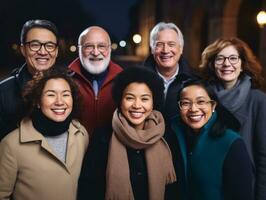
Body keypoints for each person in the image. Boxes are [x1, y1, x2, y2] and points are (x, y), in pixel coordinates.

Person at [78, 66, 176, 200]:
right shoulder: (102, 137)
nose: (137, 105)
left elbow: (173, 190)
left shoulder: (165, 136)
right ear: (120, 100)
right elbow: (89, 189)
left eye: (145, 99)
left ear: (153, 102)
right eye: (130, 98)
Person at [0, 68, 89, 200]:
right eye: (51, 94)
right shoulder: (11, 145)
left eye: (65, 94)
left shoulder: (81, 134)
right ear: (37, 101)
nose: (59, 101)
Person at [198, 37, 266, 200]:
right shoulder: (203, 97)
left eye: (233, 58)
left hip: (243, 186)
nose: (226, 64)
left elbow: (264, 156)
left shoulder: (258, 100)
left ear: (242, 64)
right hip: (209, 185)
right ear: (212, 64)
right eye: (219, 58)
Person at [167, 79, 253, 200]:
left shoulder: (231, 142)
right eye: (185, 103)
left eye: (201, 102)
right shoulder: (172, 137)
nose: (193, 109)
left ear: (213, 105)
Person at [0, 19, 59, 139]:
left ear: (56, 51)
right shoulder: (3, 92)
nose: (43, 52)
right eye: (35, 45)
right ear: (23, 49)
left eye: (49, 46)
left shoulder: (69, 88)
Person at [68, 26, 123, 135]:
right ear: (79, 49)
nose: (96, 52)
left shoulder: (125, 80)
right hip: (76, 150)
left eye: (101, 46)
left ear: (109, 49)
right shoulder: (65, 81)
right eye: (88, 46)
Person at [144, 22, 197, 125]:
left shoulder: (195, 81)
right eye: (159, 44)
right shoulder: (137, 80)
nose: (165, 50)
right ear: (152, 49)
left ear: (181, 49)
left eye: (171, 44)